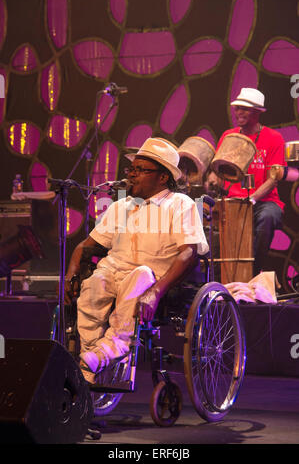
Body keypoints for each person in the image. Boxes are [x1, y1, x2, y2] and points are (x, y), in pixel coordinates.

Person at [64, 137, 209, 384]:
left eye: (140, 170)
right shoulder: (120, 206)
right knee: (95, 282)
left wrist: (155, 292)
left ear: (163, 177)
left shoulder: (179, 204)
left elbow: (189, 253)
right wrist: (70, 275)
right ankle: (90, 359)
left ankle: (108, 351)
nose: (132, 175)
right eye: (132, 169)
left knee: (139, 274)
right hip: (114, 272)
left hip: (151, 277)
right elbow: (85, 246)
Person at [212, 87, 286, 276]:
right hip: (233, 201)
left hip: (263, 202)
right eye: (237, 108)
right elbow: (217, 171)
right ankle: (218, 279)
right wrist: (212, 181)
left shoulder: (274, 138)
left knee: (267, 217)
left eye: (244, 109)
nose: (238, 112)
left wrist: (251, 199)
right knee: (206, 218)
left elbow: (273, 178)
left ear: (257, 112)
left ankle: (251, 275)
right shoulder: (229, 136)